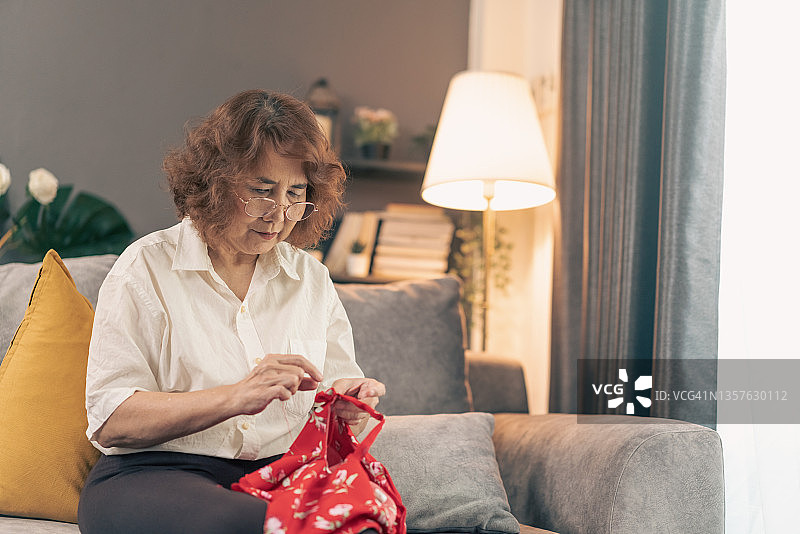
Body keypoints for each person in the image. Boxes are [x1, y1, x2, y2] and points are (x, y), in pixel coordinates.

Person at [78, 89, 386, 534]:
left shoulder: (311, 279)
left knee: (362, 517)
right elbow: (111, 421)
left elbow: (331, 395)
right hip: (156, 473)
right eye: (261, 191)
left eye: (296, 194)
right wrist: (237, 396)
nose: (279, 214)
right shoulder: (145, 267)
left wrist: (348, 403)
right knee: (260, 525)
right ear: (216, 183)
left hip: (279, 473)